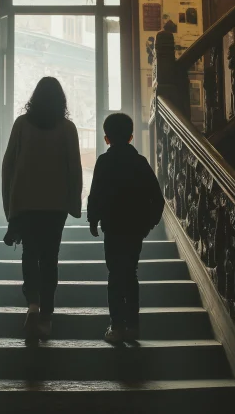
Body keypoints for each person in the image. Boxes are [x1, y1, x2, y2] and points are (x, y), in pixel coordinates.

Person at [2, 77, 83, 341]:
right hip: (55, 204)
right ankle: (46, 316)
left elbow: (7, 167)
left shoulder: (22, 124)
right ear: (61, 101)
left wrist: (9, 208)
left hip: (26, 203)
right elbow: (75, 169)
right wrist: (75, 203)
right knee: (50, 258)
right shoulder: (68, 128)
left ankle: (33, 304)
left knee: (30, 253)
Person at [87, 113, 164, 343]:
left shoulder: (103, 161)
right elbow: (157, 198)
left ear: (106, 138)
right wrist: (148, 223)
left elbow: (96, 194)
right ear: (131, 136)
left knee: (115, 275)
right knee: (130, 274)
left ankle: (117, 326)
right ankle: (133, 326)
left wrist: (93, 219)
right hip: (134, 229)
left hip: (112, 227)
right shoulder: (139, 162)